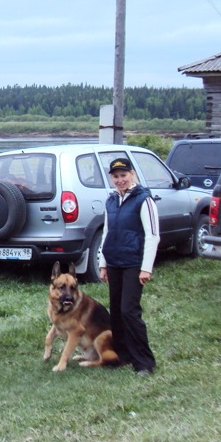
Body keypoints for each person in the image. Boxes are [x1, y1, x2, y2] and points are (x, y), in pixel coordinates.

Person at [98, 157, 159, 376]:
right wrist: (103, 264)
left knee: (129, 311)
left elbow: (152, 235)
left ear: (132, 174)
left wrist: (146, 268)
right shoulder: (111, 200)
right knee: (115, 311)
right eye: (116, 176)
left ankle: (144, 362)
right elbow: (107, 232)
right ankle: (122, 355)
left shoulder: (144, 200)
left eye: (123, 175)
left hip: (134, 263)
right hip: (114, 261)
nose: (120, 180)